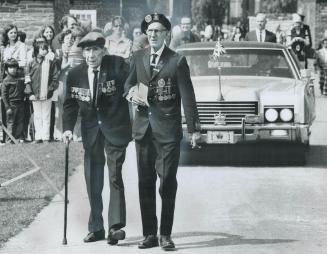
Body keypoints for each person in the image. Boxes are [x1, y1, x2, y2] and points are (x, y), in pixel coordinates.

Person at [124, 13, 201, 250]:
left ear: (167, 33)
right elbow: (128, 84)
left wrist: (194, 129)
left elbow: (188, 98)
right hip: (143, 131)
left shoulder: (176, 61)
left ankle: (165, 234)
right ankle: (149, 234)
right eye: (149, 31)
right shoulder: (138, 57)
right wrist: (131, 94)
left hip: (168, 132)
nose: (153, 34)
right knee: (145, 182)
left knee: (167, 182)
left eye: (158, 31)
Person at [62, 32, 132, 244]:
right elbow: (70, 104)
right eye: (87, 50)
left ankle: (115, 227)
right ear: (82, 52)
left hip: (115, 129)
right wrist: (66, 128)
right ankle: (96, 227)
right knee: (93, 180)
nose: (91, 55)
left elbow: (133, 81)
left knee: (114, 175)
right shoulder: (75, 74)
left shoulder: (118, 66)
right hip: (91, 131)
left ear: (103, 50)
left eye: (95, 50)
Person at [25, 42, 59, 143]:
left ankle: (45, 137)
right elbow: (27, 79)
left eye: (46, 49)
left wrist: (50, 89)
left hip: (46, 94)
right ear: (36, 50)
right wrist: (30, 92)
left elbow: (55, 77)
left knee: (46, 115)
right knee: (37, 116)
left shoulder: (51, 62)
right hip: (34, 94)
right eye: (42, 49)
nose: (45, 50)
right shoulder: (31, 63)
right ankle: (38, 137)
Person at [1, 58, 26, 143]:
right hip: (11, 104)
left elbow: (23, 88)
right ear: (7, 69)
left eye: (15, 67)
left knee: (20, 121)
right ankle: (9, 140)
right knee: (11, 122)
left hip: (21, 103)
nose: (13, 70)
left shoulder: (20, 78)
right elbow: (4, 95)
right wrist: (7, 107)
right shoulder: (6, 80)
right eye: (11, 68)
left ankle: (17, 139)